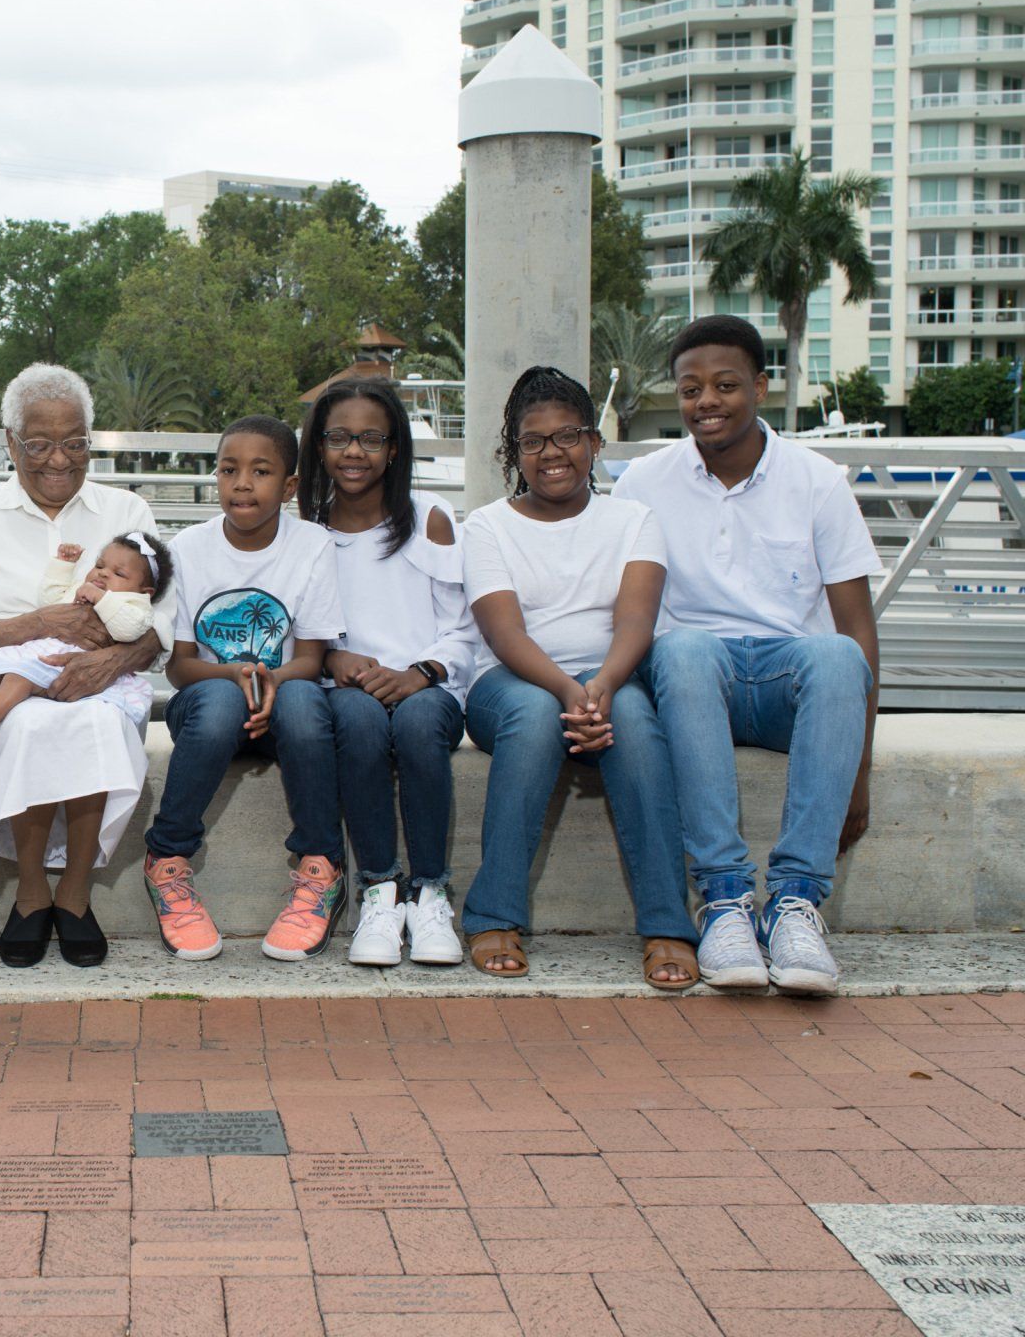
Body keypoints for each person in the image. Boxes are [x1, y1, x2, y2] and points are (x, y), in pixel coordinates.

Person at [615, 315, 880, 995]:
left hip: (790, 685)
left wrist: (860, 771)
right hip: (696, 685)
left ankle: (796, 905)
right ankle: (726, 900)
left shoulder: (817, 480)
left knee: (837, 657)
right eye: (690, 388)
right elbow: (619, 608)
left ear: (761, 386)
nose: (707, 402)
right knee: (685, 649)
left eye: (726, 385)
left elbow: (857, 627)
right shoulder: (644, 481)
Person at [459, 366, 698, 991]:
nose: (551, 453)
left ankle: (669, 926)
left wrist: (603, 686)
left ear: (594, 443)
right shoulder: (487, 526)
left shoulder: (634, 521)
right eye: (532, 441)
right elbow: (504, 635)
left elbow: (637, 620)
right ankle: (494, 916)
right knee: (537, 715)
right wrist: (571, 692)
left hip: (610, 676)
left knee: (637, 720)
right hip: (509, 686)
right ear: (513, 452)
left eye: (567, 435)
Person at [0, 363, 172, 968]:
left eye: (74, 442)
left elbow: (166, 620)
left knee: (92, 724)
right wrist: (38, 625)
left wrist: (112, 663)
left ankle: (74, 894)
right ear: (11, 443)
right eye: (39, 444)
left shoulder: (128, 511)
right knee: (35, 725)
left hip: (101, 684)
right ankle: (33, 892)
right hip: (5, 691)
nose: (58, 459)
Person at [142, 415, 347, 964]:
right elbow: (180, 669)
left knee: (305, 701)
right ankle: (167, 860)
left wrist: (271, 682)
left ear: (288, 487)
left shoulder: (312, 545)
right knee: (224, 700)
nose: (241, 483)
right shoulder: (188, 548)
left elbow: (311, 658)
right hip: (209, 708)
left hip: (286, 703)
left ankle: (320, 868)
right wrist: (237, 678)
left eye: (260, 472)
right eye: (229, 469)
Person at [298, 378, 476, 968]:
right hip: (345, 690)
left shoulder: (431, 518)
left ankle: (430, 892)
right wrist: (330, 658)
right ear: (318, 446)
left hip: (427, 685)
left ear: (395, 448)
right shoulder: (305, 533)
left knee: (421, 724)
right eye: (340, 438)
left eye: (371, 438)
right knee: (356, 717)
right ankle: (380, 889)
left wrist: (420, 672)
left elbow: (465, 629)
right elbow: (290, 631)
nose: (355, 452)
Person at [0, 532, 170, 749]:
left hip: (69, 662)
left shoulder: (135, 605)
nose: (103, 573)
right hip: (40, 651)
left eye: (119, 573)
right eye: (99, 565)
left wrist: (101, 598)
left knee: (18, 677)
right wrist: (63, 567)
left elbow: (129, 629)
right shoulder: (84, 587)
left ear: (144, 592)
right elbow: (50, 600)